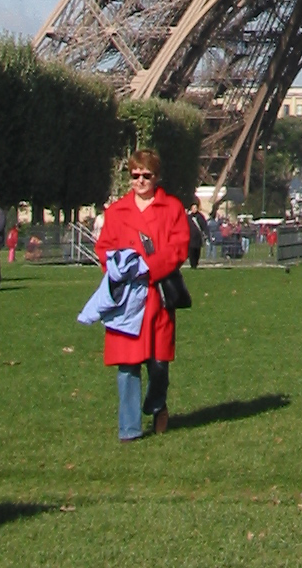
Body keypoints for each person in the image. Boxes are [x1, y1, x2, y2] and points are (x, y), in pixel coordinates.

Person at [93, 149, 192, 442]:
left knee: (158, 363)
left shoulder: (172, 209)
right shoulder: (116, 212)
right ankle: (129, 428)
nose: (140, 180)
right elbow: (104, 248)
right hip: (127, 299)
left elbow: (179, 247)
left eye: (146, 176)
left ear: (156, 177)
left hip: (156, 295)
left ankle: (157, 403)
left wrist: (149, 268)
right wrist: (118, 270)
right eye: (135, 175)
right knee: (127, 365)